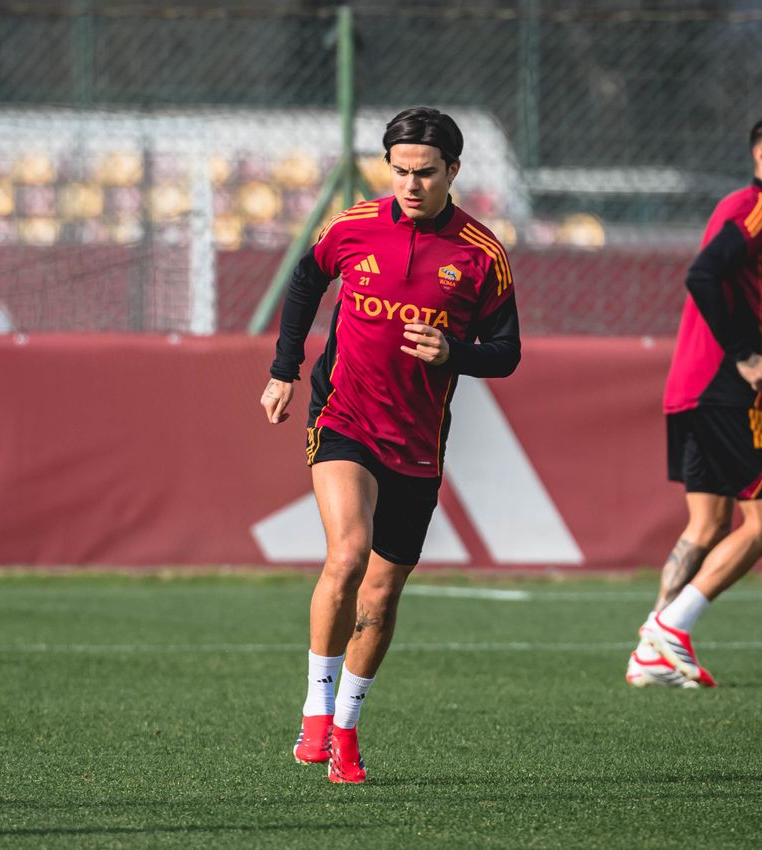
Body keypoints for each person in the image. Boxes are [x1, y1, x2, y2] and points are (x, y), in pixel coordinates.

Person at [260, 107, 521, 782]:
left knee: (379, 595)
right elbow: (304, 282)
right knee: (348, 555)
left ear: (452, 171)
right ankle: (315, 711)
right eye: (400, 170)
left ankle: (346, 728)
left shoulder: (481, 254)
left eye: (425, 172)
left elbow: (506, 352)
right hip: (343, 417)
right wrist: (284, 369)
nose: (410, 184)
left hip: (418, 442)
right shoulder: (352, 225)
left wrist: (454, 351)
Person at [627, 113, 762, 688]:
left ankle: (650, 653)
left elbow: (732, 289)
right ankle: (670, 628)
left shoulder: (752, 212)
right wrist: (743, 353)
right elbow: (703, 276)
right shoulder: (755, 207)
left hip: (691, 387)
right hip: (725, 389)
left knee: (708, 523)